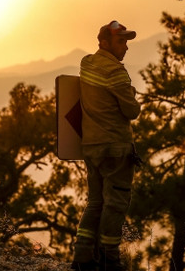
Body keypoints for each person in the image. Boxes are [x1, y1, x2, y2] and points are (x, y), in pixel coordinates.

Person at [72, 20, 141, 271]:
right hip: (116, 148)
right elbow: (132, 111)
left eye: (126, 41)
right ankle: (109, 259)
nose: (126, 47)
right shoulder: (116, 72)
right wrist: (131, 93)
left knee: (95, 202)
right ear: (104, 42)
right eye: (121, 41)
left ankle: (82, 257)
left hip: (91, 146)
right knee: (116, 203)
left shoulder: (86, 64)